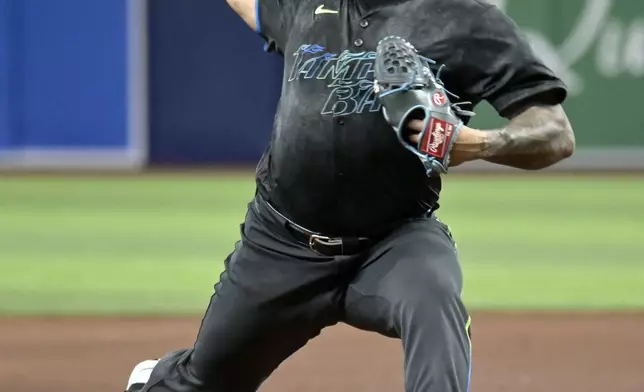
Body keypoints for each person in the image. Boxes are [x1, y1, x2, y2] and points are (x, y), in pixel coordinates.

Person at [124, 0, 575, 391]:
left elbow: (554, 133)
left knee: (434, 300)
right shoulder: (303, 5)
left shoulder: (465, 20)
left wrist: (474, 144)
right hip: (280, 246)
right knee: (204, 382)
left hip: (393, 243)